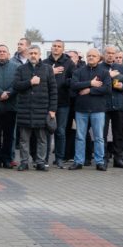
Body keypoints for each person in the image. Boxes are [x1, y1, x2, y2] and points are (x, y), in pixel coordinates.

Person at [13, 45, 58, 171]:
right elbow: (16, 86)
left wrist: (52, 110)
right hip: (25, 110)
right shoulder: (21, 69)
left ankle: (40, 162)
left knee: (42, 139)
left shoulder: (47, 69)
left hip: (42, 110)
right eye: (31, 53)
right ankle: (24, 162)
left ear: (39, 55)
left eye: (35, 53)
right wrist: (30, 82)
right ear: (27, 54)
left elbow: (53, 90)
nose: (33, 55)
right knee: (23, 140)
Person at [68, 48, 111, 171]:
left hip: (98, 110)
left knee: (99, 137)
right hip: (81, 109)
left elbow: (107, 89)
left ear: (99, 58)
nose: (91, 57)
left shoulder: (104, 72)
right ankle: (78, 161)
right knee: (80, 136)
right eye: (89, 55)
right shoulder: (79, 71)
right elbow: (74, 85)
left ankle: (100, 162)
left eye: (93, 56)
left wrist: (89, 90)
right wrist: (91, 83)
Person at [42, 40, 75, 168]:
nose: (56, 48)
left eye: (59, 46)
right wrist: (51, 72)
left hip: (63, 102)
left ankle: (59, 158)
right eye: (54, 46)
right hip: (46, 102)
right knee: (46, 132)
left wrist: (64, 82)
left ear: (63, 49)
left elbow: (74, 79)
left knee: (60, 131)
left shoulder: (69, 63)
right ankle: (43, 159)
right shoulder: (44, 63)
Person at [99, 45, 123, 169]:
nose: (110, 55)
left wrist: (122, 87)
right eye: (108, 53)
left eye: (113, 53)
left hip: (118, 104)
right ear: (104, 54)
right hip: (103, 105)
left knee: (118, 133)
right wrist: (108, 76)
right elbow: (97, 83)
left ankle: (118, 159)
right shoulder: (99, 67)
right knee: (103, 134)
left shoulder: (121, 68)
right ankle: (104, 158)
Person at [0, 45, 18, 168]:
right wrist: (0, 93)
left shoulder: (16, 68)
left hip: (11, 106)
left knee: (9, 135)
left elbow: (17, 84)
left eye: (4, 51)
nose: (2, 53)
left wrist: (8, 93)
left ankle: (7, 159)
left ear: (8, 54)